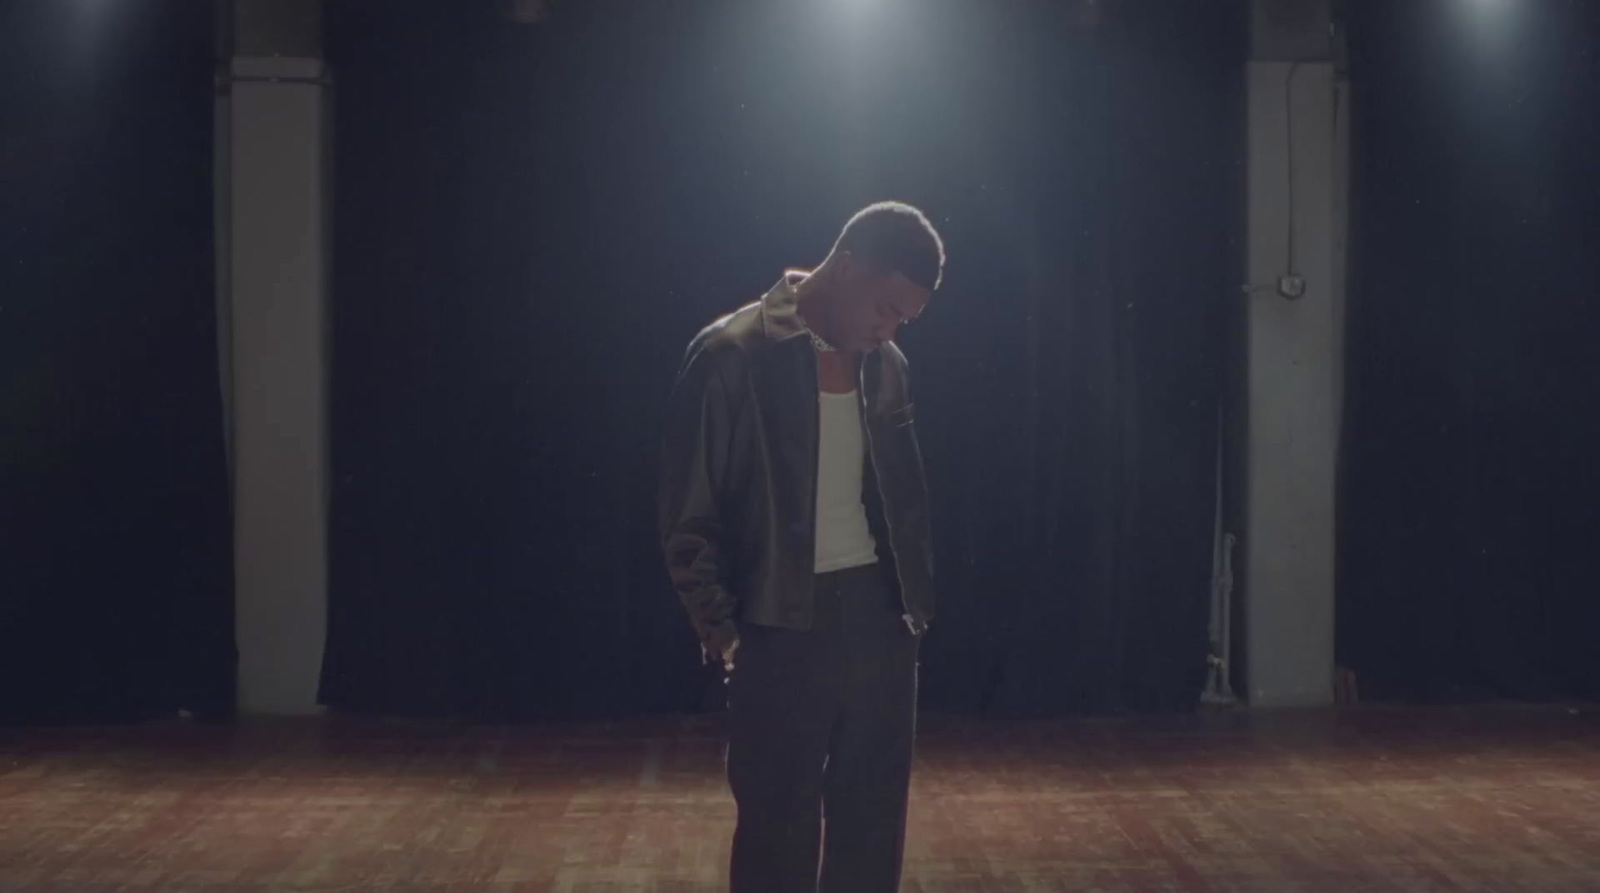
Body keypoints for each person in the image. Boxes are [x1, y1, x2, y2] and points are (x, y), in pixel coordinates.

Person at [659, 201, 944, 892]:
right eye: (885, 306)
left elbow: (902, 502)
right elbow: (686, 518)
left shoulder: (889, 365)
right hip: (778, 624)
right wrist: (728, 637)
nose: (890, 328)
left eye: (905, 318)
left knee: (873, 830)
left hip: (881, 620)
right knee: (777, 833)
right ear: (846, 266)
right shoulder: (732, 356)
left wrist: (910, 612)